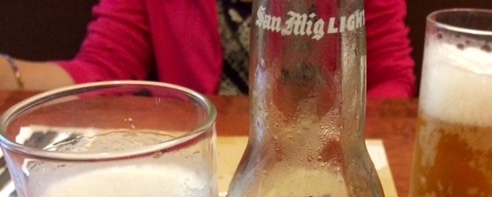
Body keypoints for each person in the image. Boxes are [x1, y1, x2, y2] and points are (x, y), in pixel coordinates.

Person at [0, 0, 415, 98]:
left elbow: (390, 77)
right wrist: (11, 75)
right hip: (202, 161)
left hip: (318, 160)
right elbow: (105, 67)